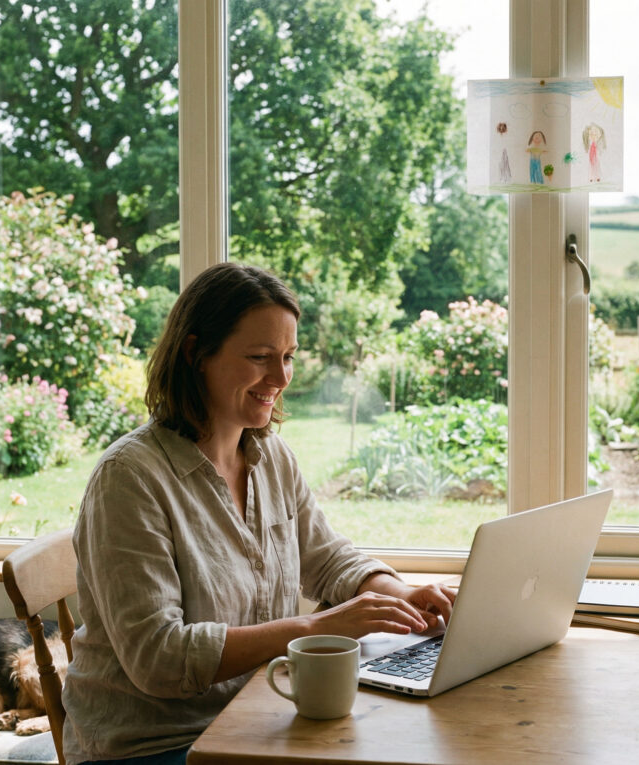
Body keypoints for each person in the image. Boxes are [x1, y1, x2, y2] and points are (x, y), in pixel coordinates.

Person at [62, 262, 456, 765]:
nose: (281, 377)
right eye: (260, 357)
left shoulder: (270, 455)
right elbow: (158, 658)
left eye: (289, 357)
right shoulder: (129, 478)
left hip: (252, 716)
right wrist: (316, 630)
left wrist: (399, 594)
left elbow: (328, 559)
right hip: (154, 746)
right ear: (195, 353)